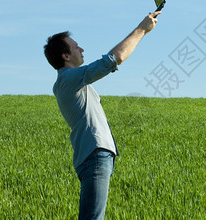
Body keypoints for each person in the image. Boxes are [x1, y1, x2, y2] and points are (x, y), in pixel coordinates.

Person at [43, 11, 160, 219]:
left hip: (93, 156)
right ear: (65, 56)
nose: (82, 49)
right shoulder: (68, 79)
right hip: (94, 155)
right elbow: (113, 60)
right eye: (76, 47)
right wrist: (142, 29)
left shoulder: (69, 82)